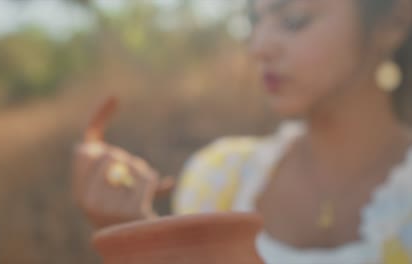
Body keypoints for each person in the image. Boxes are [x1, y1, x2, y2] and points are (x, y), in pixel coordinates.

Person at [73, 0, 412, 263]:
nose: (258, 47)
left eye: (293, 19)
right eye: (256, 20)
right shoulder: (219, 178)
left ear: (393, 21)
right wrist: (141, 239)